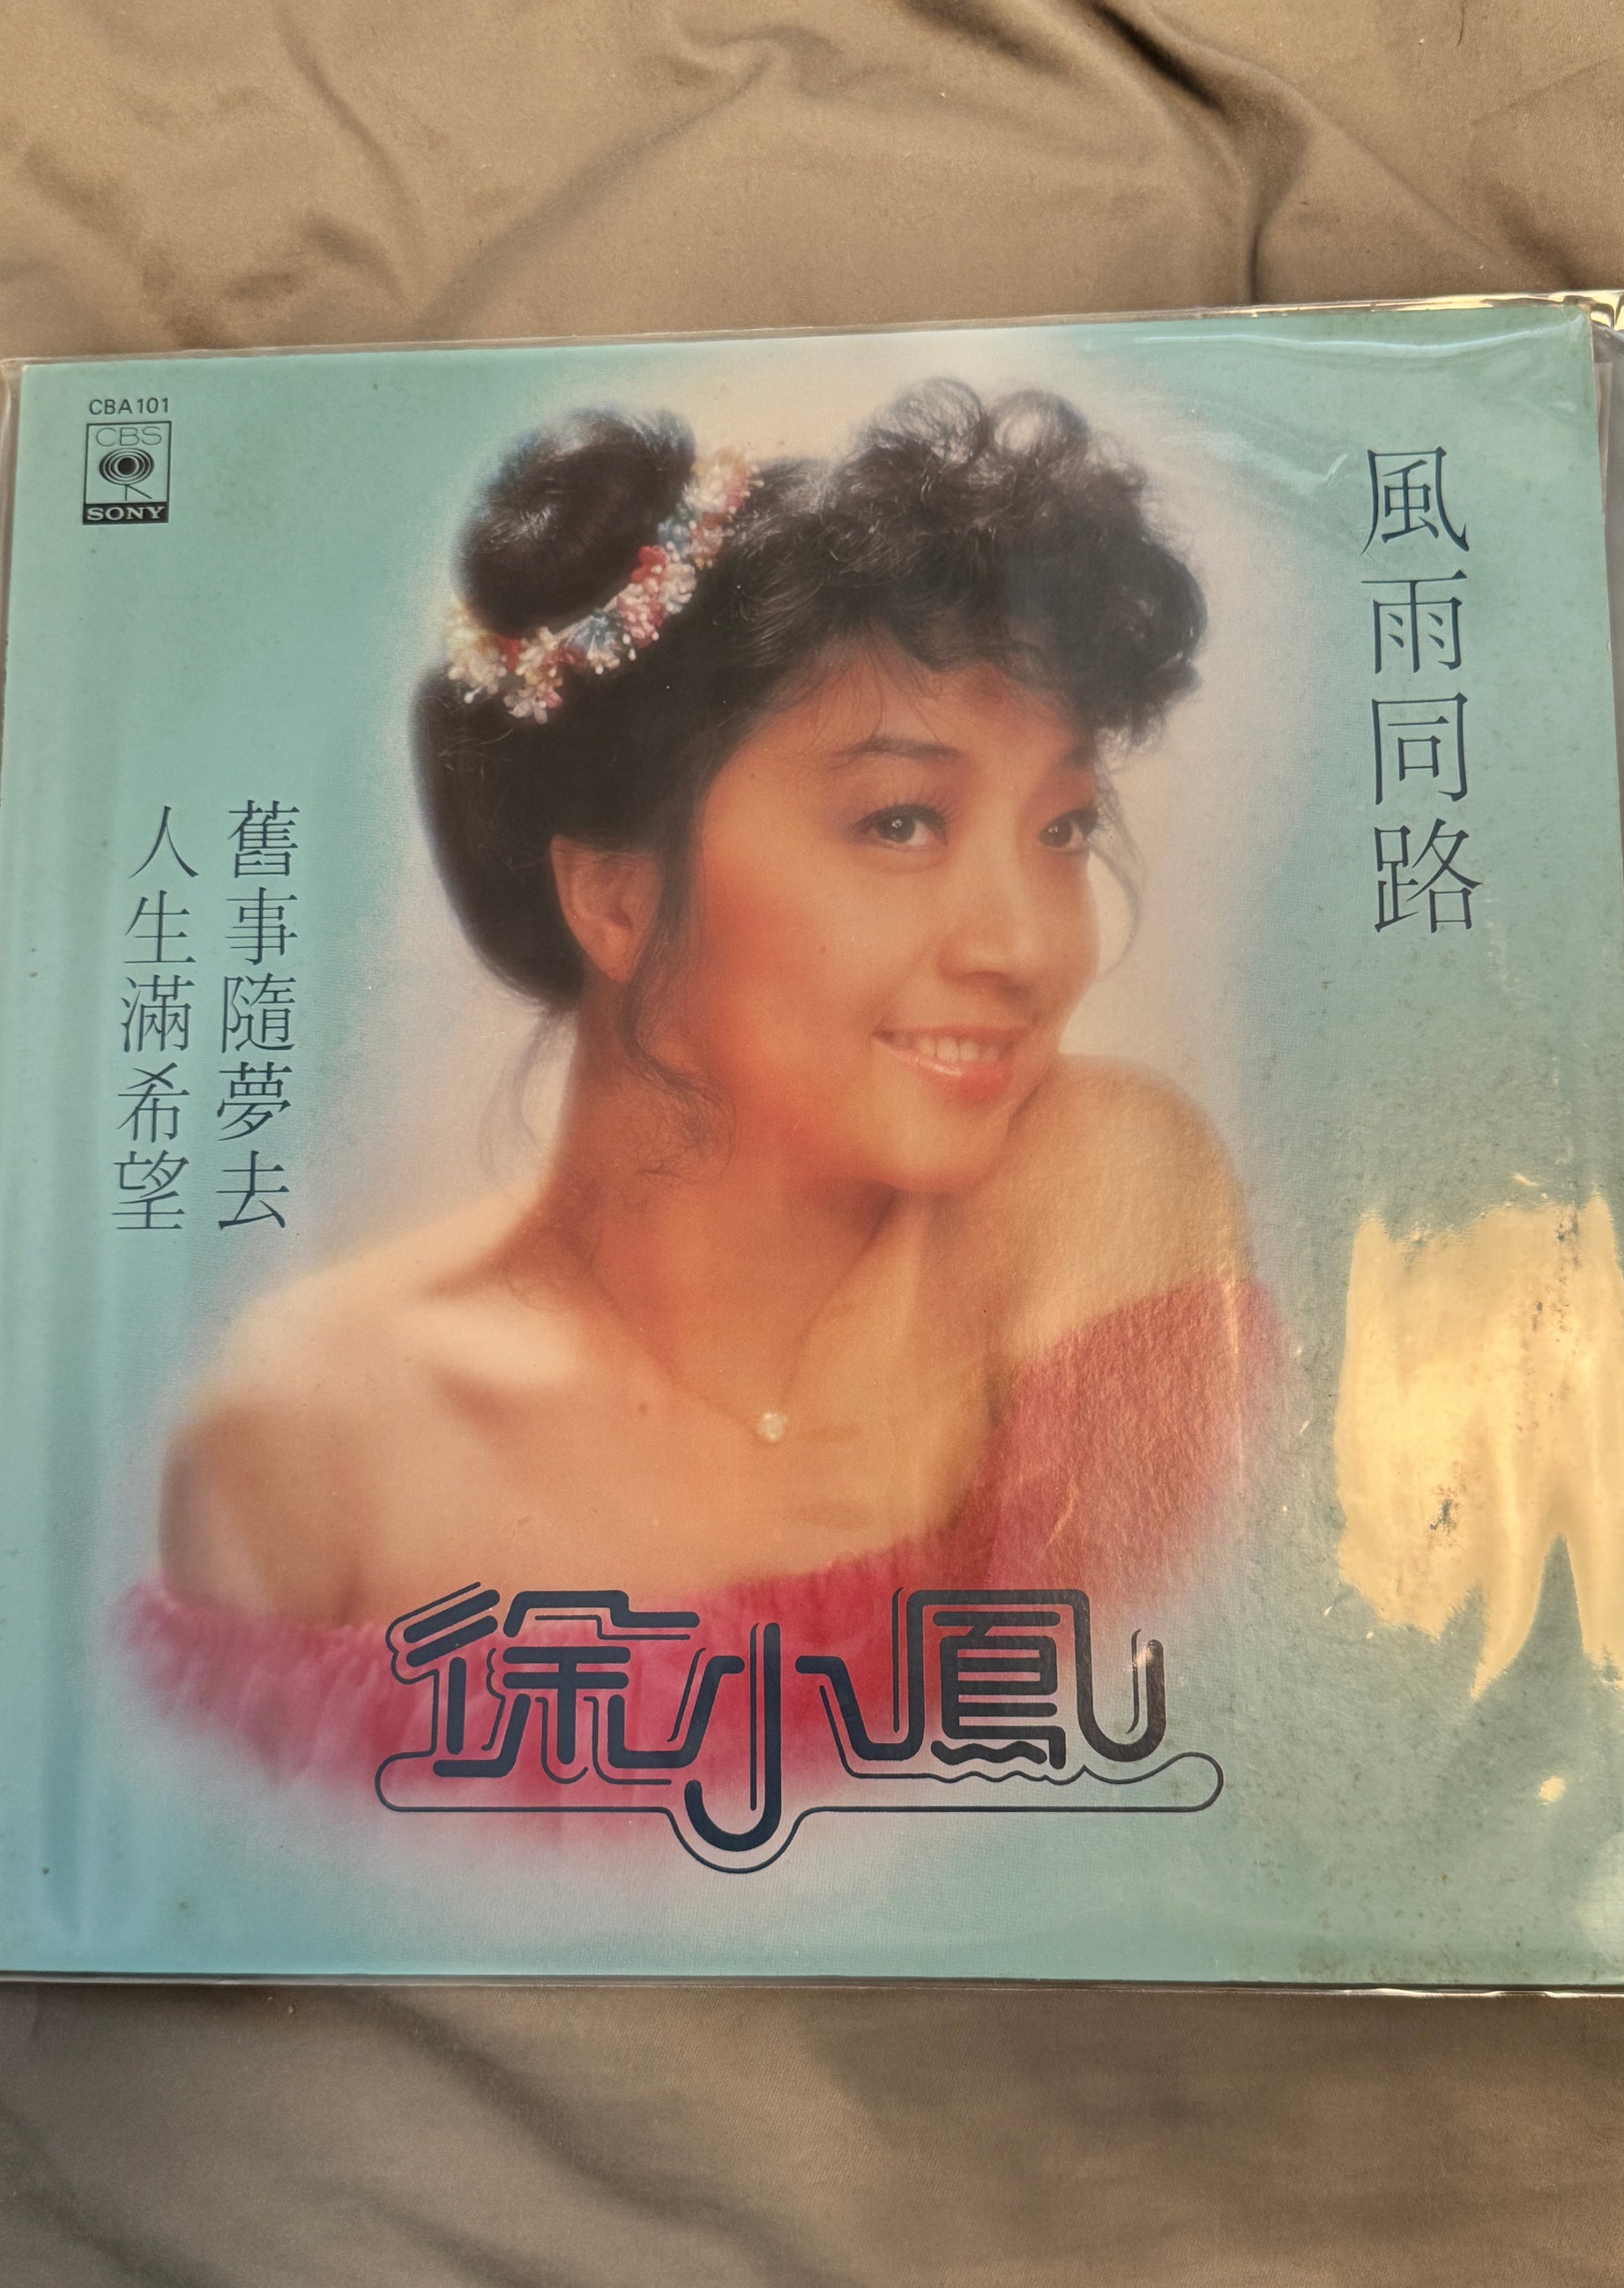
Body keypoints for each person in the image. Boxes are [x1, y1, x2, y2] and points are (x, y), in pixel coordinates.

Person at [128, 381, 1270, 1790]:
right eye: (900, 820)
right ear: (615, 898)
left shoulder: (1097, 1186)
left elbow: (1175, 1753)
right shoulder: (301, 1446)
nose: (1029, 947)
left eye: (1062, 827)